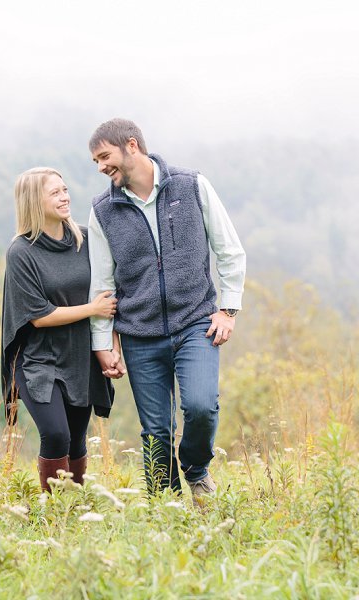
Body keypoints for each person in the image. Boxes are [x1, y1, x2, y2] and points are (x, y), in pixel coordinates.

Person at [87, 118, 246, 500]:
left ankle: (195, 469)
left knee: (201, 407)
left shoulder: (191, 186)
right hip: (139, 333)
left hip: (196, 323)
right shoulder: (102, 211)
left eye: (105, 157)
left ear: (132, 146)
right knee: (155, 429)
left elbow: (229, 250)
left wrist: (228, 309)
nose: (100, 168)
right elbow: (103, 285)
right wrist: (102, 343)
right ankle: (164, 507)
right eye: (95, 161)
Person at [1, 167, 120, 493]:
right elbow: (38, 316)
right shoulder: (21, 252)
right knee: (56, 434)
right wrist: (91, 309)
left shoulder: (86, 239)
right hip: (38, 361)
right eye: (54, 193)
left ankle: (74, 509)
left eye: (65, 190)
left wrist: (112, 347)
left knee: (77, 439)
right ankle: (54, 511)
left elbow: (109, 296)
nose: (65, 197)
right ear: (33, 201)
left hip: (80, 357)